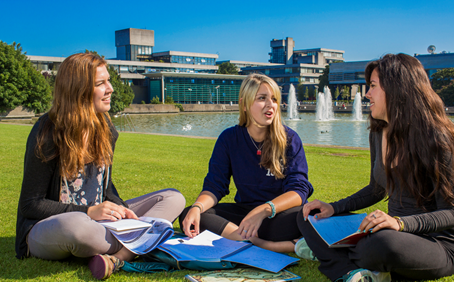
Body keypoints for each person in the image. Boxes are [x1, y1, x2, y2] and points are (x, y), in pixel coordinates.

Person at [15, 53, 185, 280]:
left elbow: (104, 187)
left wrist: (122, 209)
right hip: (53, 227)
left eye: (109, 81)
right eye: (100, 83)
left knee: (174, 198)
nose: (111, 88)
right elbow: (30, 205)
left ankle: (120, 256)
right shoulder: (47, 133)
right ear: (78, 90)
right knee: (77, 228)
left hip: (100, 222)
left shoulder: (106, 128)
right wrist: (88, 212)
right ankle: (148, 238)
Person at [298, 53, 454, 282]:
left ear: (397, 89)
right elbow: (376, 189)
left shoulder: (438, 138)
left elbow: (451, 213)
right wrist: (333, 207)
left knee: (383, 244)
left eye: (372, 86)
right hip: (389, 230)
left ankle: (332, 253)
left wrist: (400, 224)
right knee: (307, 217)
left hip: (432, 242)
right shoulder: (378, 132)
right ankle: (352, 270)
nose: (366, 94)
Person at [179, 73, 313, 252]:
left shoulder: (289, 139)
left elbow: (298, 190)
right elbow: (214, 186)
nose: (270, 105)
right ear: (244, 104)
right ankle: (262, 243)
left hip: (278, 213)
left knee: (309, 218)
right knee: (191, 214)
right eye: (262, 98)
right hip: (244, 214)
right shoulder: (229, 138)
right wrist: (197, 206)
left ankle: (249, 240)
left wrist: (264, 210)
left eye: (274, 99)